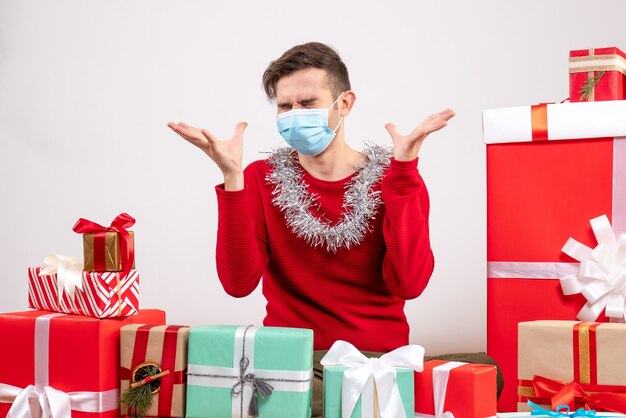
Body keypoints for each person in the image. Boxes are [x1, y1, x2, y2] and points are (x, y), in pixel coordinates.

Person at [168, 42, 500, 417]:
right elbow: (238, 283)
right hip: (293, 362)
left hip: (376, 361)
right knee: (314, 400)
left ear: (344, 103)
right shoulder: (259, 179)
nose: (293, 115)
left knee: (488, 376)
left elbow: (409, 284)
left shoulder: (394, 179)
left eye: (307, 103)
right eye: (284, 105)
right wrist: (232, 179)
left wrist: (404, 174)